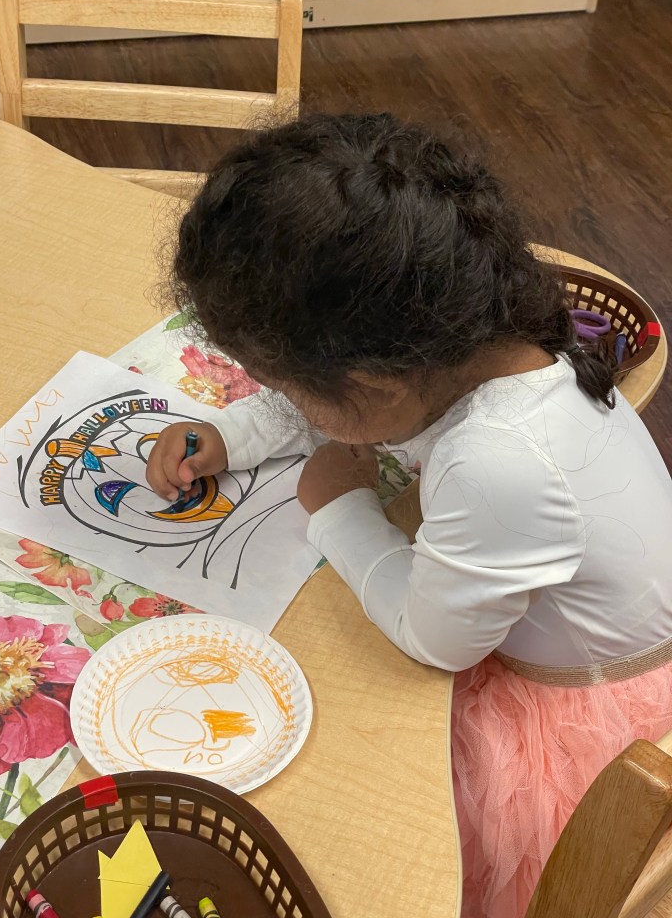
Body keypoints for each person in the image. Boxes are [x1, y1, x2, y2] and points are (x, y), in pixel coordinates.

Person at [146, 113, 672, 918]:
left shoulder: (497, 460)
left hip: (575, 720)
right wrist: (234, 434)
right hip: (551, 629)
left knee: (349, 809)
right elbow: (344, 398)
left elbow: (436, 641)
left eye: (282, 387)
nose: (282, 401)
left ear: (378, 383)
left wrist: (339, 509)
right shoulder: (476, 321)